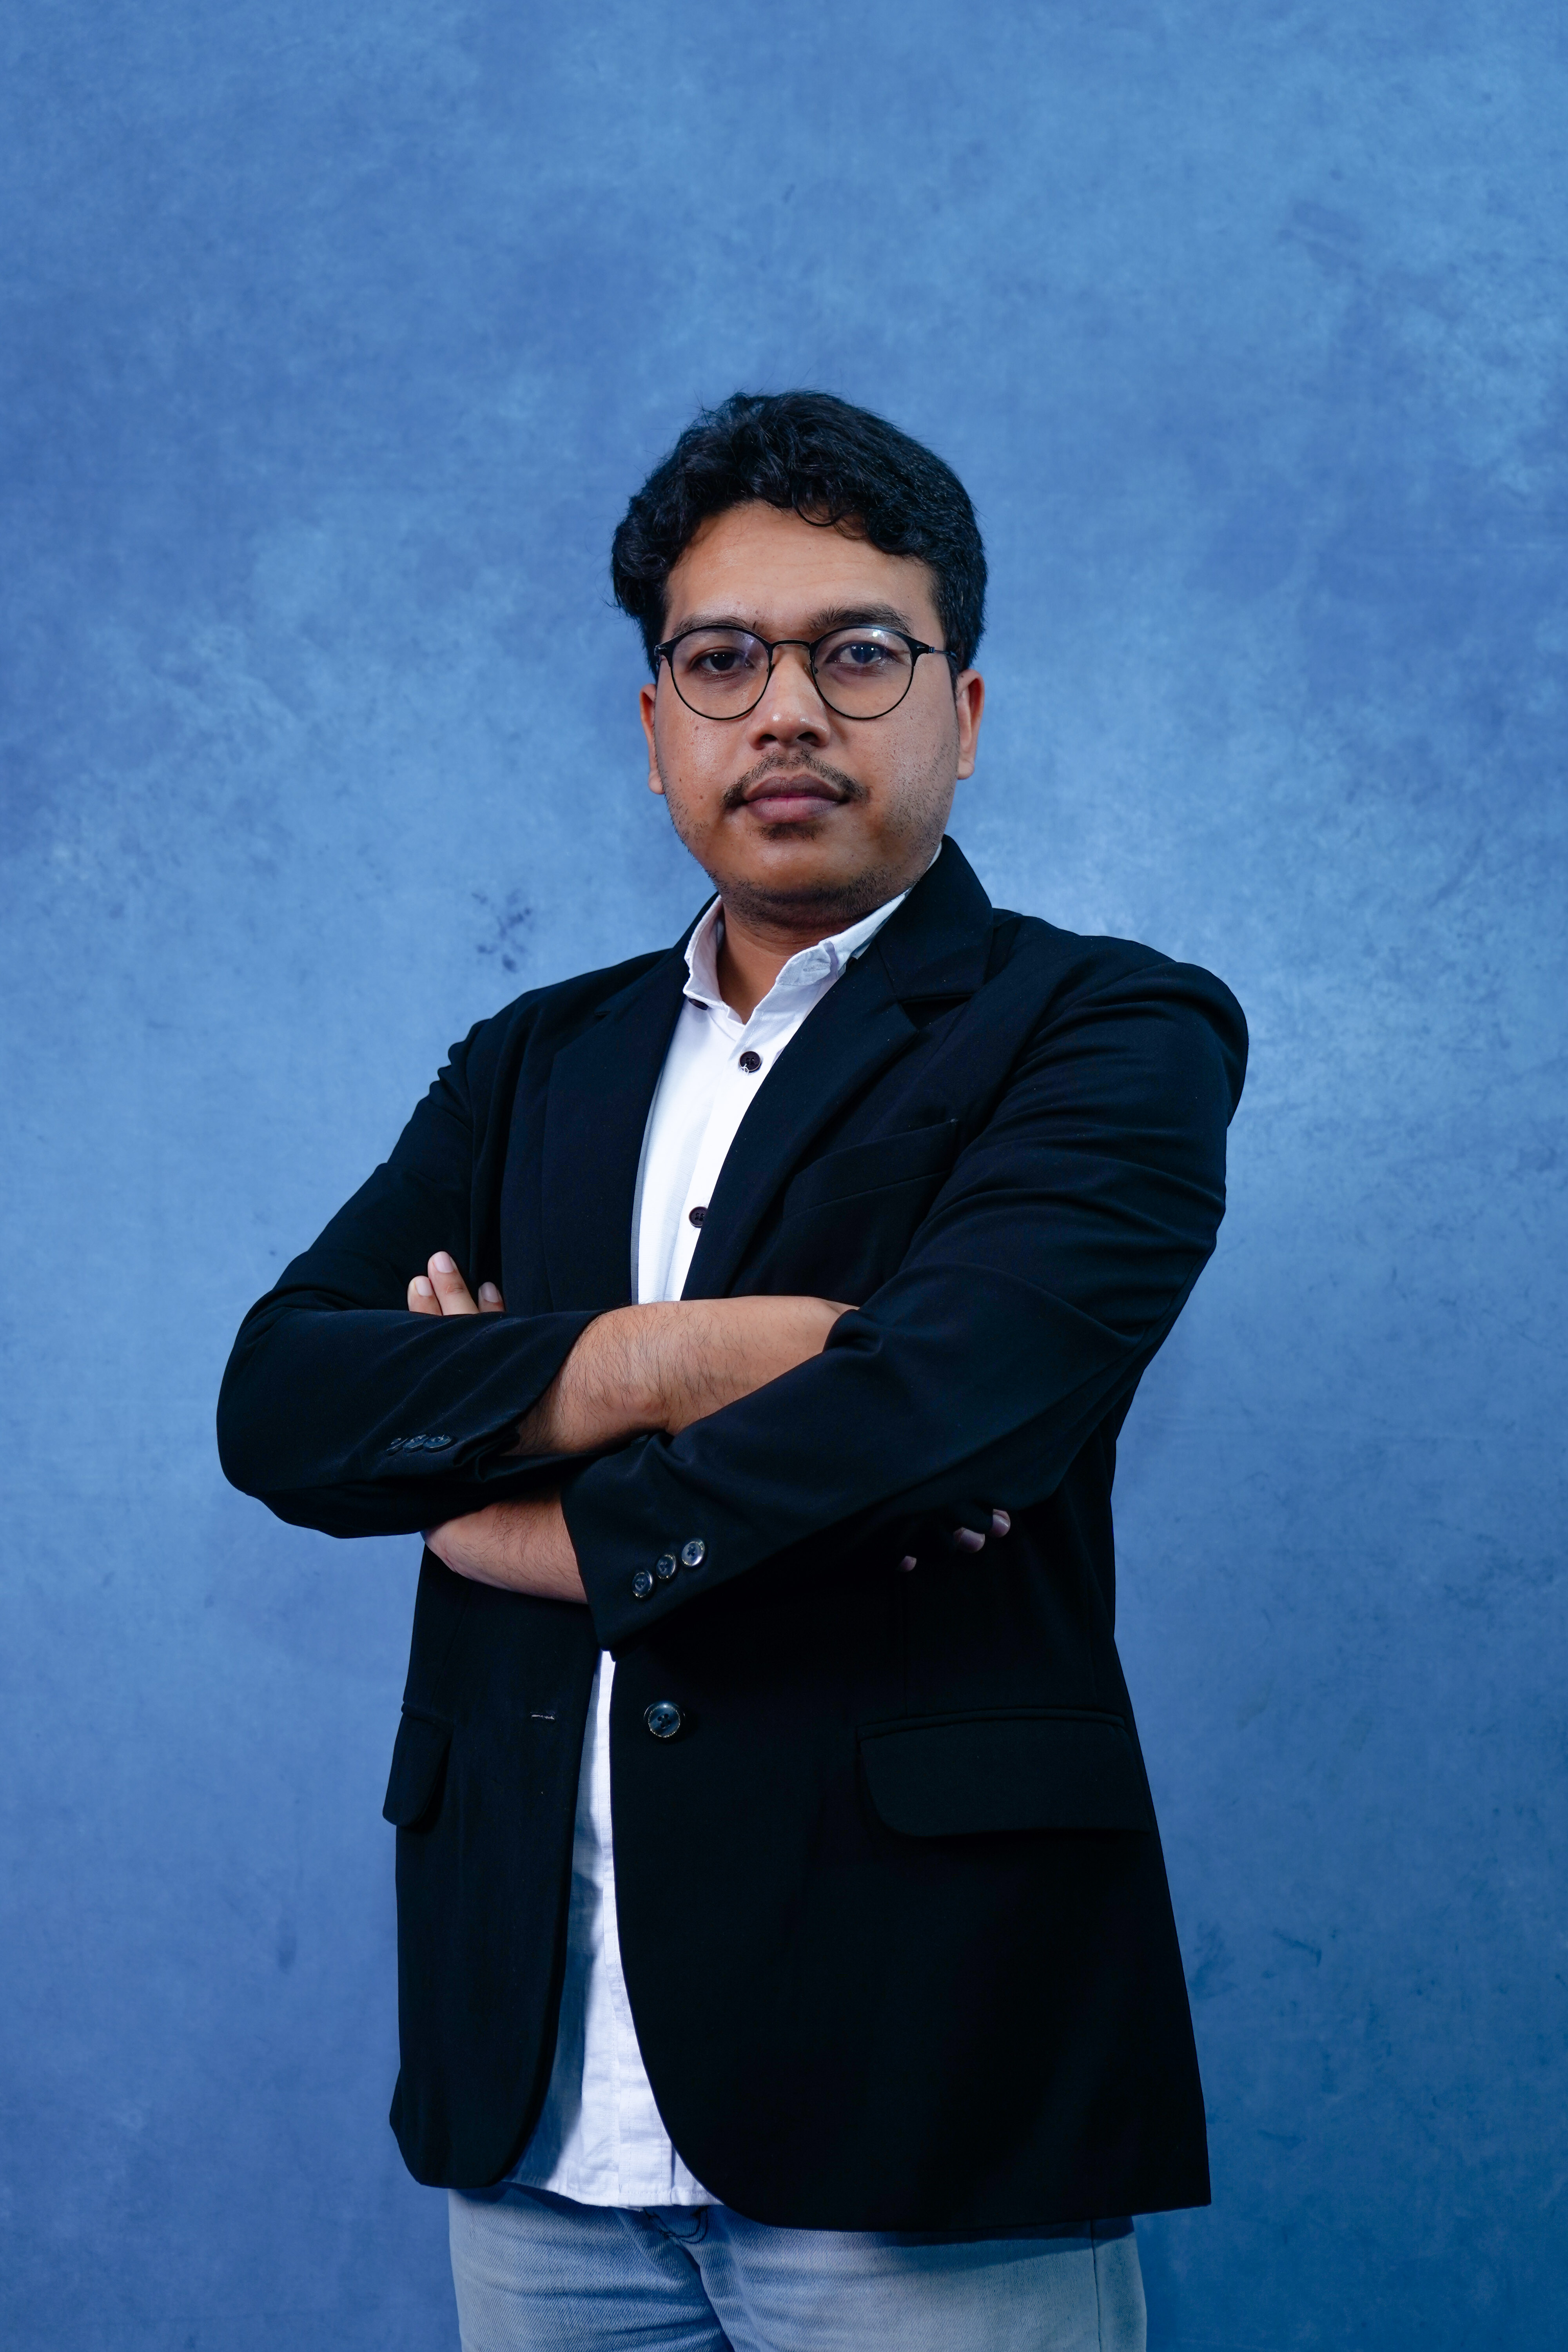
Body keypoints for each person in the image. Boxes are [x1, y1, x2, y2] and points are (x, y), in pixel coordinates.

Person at [218, 390, 1247, 2351]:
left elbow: (956, 1417)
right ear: (656, 724)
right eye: (722, 660)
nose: (786, 710)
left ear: (961, 708)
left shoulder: (1106, 1031)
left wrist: (511, 1506)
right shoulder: (536, 1057)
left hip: (922, 2086)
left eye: (858, 652)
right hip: (535, 2107)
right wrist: (673, 1359)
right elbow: (283, 1399)